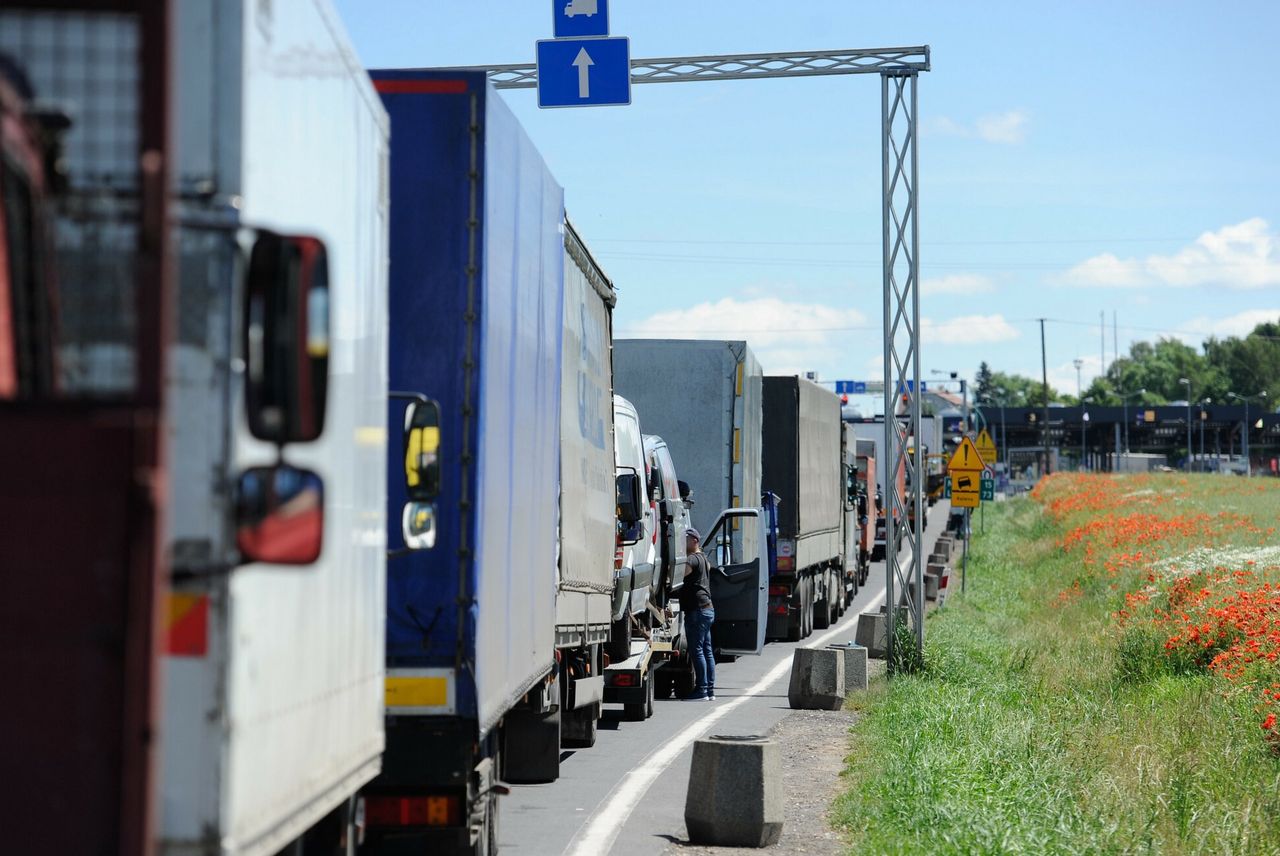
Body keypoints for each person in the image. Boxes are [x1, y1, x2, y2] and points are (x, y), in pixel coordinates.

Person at [679, 527, 715, 701]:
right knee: (707, 651)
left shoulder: (692, 559)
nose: (683, 542)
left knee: (697, 650)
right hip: (707, 609)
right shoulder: (704, 559)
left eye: (685, 539)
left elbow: (679, 580)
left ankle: (701, 690)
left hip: (697, 611)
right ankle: (709, 690)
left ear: (694, 540)